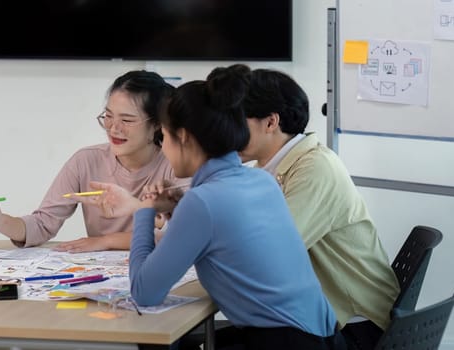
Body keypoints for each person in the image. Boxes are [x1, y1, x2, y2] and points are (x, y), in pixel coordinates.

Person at [83, 67, 345, 349]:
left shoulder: (203, 201)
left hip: (283, 342)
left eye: (165, 139)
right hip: (325, 337)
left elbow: (145, 292)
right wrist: (179, 206)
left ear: (182, 137)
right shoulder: (259, 179)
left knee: (156, 343)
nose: (165, 151)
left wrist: (145, 210)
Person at [233, 64, 399, 350]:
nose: (227, 132)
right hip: (312, 316)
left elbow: (271, 254)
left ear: (271, 122)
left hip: (354, 328)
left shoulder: (313, 167)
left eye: (235, 121)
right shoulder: (268, 168)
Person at [0, 70, 177, 252]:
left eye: (127, 120)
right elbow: (42, 224)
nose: (114, 128)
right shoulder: (85, 160)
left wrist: (105, 241)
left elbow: (180, 235)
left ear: (157, 124)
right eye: (109, 116)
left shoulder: (176, 165)